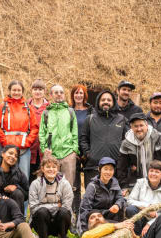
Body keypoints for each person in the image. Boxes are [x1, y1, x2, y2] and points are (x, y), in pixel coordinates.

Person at [118, 113, 161, 191]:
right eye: (135, 126)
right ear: (131, 128)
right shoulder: (126, 143)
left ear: (146, 125)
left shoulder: (160, 138)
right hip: (136, 184)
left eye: (141, 125)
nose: (139, 129)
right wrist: (124, 187)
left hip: (159, 182)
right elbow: (121, 169)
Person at [78, 90, 126, 187]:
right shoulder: (90, 119)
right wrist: (88, 154)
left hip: (115, 168)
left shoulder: (121, 119)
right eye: (103, 99)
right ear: (98, 102)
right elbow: (83, 139)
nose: (106, 102)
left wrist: (121, 158)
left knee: (112, 198)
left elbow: (126, 140)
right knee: (92, 197)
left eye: (109, 100)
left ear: (113, 102)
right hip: (94, 167)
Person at [39, 84, 79, 193]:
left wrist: (74, 150)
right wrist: (44, 149)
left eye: (61, 92)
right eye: (56, 92)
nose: (59, 94)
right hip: (51, 153)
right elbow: (42, 133)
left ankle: (67, 210)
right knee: (50, 186)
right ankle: (51, 209)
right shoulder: (46, 113)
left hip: (68, 153)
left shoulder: (70, 112)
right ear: (51, 95)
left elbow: (74, 131)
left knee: (68, 187)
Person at [0, 80, 39, 181]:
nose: (16, 92)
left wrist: (27, 142)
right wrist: (5, 142)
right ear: (10, 91)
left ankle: (24, 197)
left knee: (23, 176)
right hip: (6, 148)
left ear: (22, 91)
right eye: (14, 90)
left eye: (19, 90)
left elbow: (34, 128)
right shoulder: (2, 107)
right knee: (3, 175)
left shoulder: (28, 108)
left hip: (24, 148)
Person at [28, 154, 74, 238]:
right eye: (48, 167)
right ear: (42, 168)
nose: (51, 169)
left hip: (59, 222)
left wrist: (44, 205)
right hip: (42, 221)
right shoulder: (35, 184)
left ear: (57, 168)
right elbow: (33, 208)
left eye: (54, 167)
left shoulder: (65, 184)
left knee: (64, 212)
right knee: (42, 211)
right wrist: (57, 205)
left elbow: (67, 206)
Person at [125, 160, 161, 236]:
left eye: (157, 172)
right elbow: (130, 200)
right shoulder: (140, 182)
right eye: (151, 171)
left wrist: (150, 222)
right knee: (130, 209)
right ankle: (138, 236)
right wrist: (147, 208)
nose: (153, 174)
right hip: (141, 217)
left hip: (157, 218)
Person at [78, 157, 125, 234]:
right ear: (99, 170)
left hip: (108, 216)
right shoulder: (92, 186)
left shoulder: (115, 183)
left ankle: (117, 225)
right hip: (96, 218)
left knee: (123, 204)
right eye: (105, 169)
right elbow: (85, 209)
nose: (108, 172)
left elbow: (120, 198)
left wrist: (117, 205)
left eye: (111, 169)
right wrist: (84, 231)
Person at [70, 84, 92, 214]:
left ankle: (88, 212)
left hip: (88, 150)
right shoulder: (68, 110)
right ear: (73, 95)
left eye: (81, 93)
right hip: (73, 151)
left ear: (85, 95)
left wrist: (89, 151)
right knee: (75, 185)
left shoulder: (91, 111)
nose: (78, 95)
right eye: (76, 93)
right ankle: (76, 212)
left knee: (90, 184)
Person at [0, 144, 30, 213]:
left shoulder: (19, 173)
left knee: (18, 193)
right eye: (10, 153)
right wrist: (0, 197)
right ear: (2, 154)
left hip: (13, 206)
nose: (13, 157)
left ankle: (18, 220)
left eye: (16, 156)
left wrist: (16, 187)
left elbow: (27, 194)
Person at [27, 79, 49, 177]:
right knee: (29, 176)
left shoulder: (49, 107)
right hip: (29, 147)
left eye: (40, 89)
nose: (37, 92)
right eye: (35, 89)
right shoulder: (25, 106)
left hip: (44, 148)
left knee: (43, 176)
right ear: (31, 91)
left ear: (44, 91)